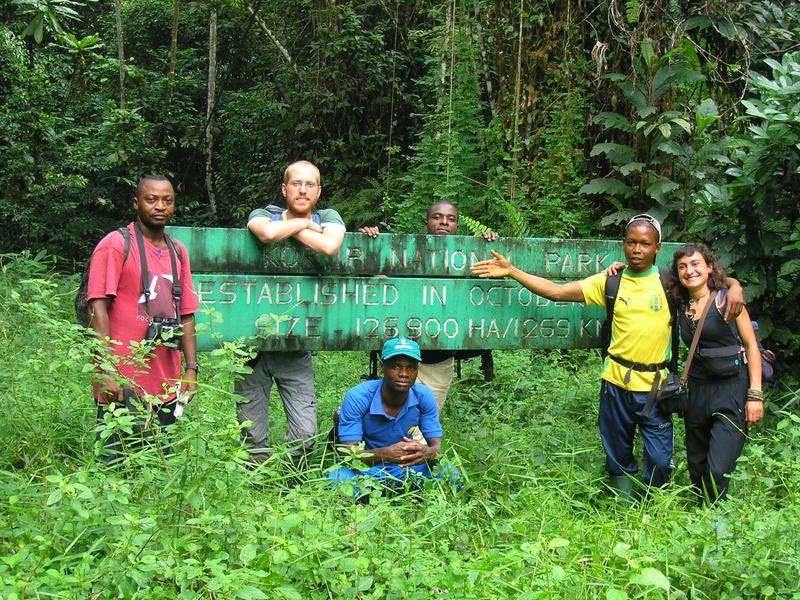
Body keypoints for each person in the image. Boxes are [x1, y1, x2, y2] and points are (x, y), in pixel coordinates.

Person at [471, 214, 744, 499]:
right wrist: (512, 270)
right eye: (631, 243)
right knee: (617, 451)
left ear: (657, 248)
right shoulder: (610, 282)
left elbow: (707, 283)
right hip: (615, 382)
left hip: (657, 387)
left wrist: (734, 285)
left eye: (644, 244)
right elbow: (557, 291)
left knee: (661, 459)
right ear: (623, 245)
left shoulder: (670, 283)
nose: (637, 250)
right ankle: (624, 505)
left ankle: (654, 503)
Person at [235, 160, 346, 463]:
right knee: (251, 431)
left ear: (319, 191)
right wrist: (305, 224)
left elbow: (330, 246)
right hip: (251, 345)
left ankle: (289, 481)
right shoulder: (263, 215)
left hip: (297, 344)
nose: (303, 189)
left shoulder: (329, 216)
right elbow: (265, 233)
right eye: (296, 183)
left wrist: (291, 227)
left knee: (305, 432)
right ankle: (256, 488)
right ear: (284, 189)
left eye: (310, 184)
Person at [88, 175, 199, 461]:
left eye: (167, 200)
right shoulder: (116, 244)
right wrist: (107, 369)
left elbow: (186, 314)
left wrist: (191, 369)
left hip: (165, 380)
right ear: (136, 203)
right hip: (122, 379)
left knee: (159, 467)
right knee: (116, 467)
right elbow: (97, 309)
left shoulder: (177, 251)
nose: (159, 206)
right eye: (151, 199)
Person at [360, 200, 497, 407]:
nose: (444, 222)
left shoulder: (469, 258)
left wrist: (490, 246)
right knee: (387, 422)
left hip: (438, 361)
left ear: (457, 227)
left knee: (423, 429)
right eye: (437, 217)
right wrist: (369, 242)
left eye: (451, 219)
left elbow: (490, 285)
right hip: (399, 356)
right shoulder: (404, 253)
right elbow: (375, 280)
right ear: (426, 223)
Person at [671, 243, 763, 503]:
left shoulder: (728, 300)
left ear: (709, 266)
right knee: (697, 465)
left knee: (718, 468)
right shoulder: (681, 303)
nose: (689, 271)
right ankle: (702, 517)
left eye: (696, 264)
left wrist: (755, 395)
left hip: (731, 389)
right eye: (683, 267)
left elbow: (751, 346)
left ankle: (716, 520)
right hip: (698, 391)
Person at [329, 337, 458, 492]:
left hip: (406, 468)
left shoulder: (423, 396)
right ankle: (365, 500)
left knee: (450, 473)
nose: (403, 374)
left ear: (417, 370)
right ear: (383, 367)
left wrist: (425, 453)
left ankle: (411, 494)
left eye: (411, 368)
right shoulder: (359, 396)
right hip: (366, 469)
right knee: (337, 479)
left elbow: (436, 448)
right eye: (396, 366)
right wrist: (385, 454)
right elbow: (349, 454)